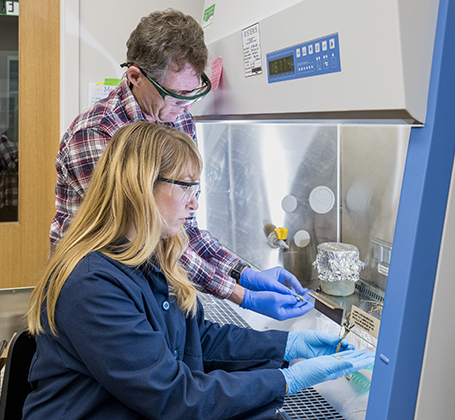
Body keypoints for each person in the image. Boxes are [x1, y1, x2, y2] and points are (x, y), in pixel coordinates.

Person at [24, 122, 375, 419]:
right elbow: (173, 396)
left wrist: (285, 345)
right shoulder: (92, 283)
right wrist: (286, 381)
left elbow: (195, 339)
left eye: (197, 189)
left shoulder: (147, 256)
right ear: (141, 186)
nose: (194, 204)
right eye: (184, 187)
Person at [50, 8, 311, 321]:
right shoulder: (97, 134)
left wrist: (242, 272)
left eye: (193, 93)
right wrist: (239, 294)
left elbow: (184, 228)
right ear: (135, 76)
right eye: (176, 95)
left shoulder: (178, 118)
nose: (185, 107)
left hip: (149, 283)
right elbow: (150, 237)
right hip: (97, 288)